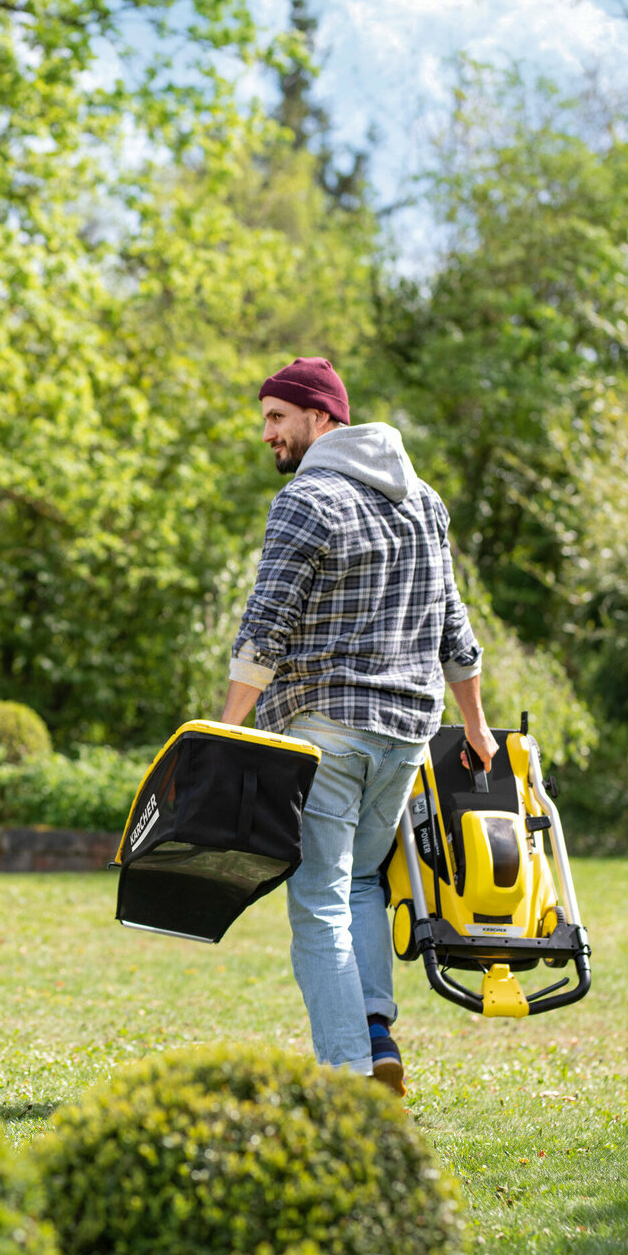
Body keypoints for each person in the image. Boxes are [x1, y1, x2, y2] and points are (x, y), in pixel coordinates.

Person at [219, 356, 493, 1097]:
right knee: (364, 877)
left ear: (323, 417)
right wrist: (475, 723)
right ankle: (374, 1028)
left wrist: (225, 730)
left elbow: (266, 623)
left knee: (318, 898)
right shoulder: (424, 501)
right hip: (406, 731)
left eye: (278, 417)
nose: (268, 433)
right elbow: (453, 624)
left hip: (326, 728)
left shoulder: (308, 498)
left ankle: (347, 1072)